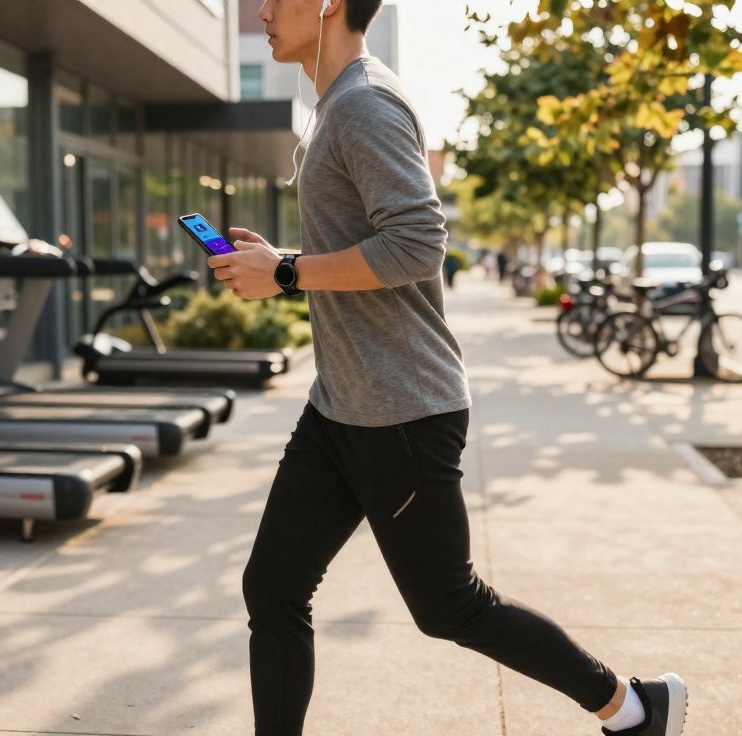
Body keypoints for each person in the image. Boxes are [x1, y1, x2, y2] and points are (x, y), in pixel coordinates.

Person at [207, 2, 687, 735]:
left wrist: (291, 272)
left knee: (449, 608)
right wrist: (274, 264)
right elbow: (358, 245)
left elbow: (419, 244)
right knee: (272, 587)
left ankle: (633, 707)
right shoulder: (334, 106)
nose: (263, 10)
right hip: (341, 405)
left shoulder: (364, 104)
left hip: (402, 410)